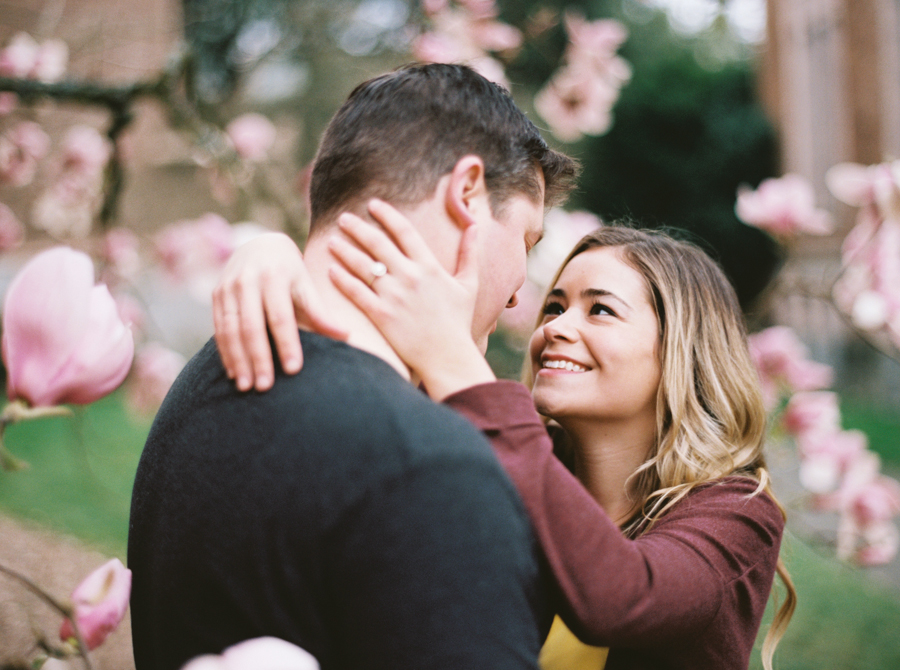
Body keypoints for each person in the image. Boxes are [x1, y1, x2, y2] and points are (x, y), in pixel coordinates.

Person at [128, 62, 579, 670]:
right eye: (526, 242)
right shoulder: (430, 466)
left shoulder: (206, 378)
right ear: (467, 194)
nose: (520, 294)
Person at [212, 210, 797, 670]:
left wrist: (456, 363)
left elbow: (620, 598)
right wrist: (273, 252)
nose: (554, 329)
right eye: (555, 306)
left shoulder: (737, 516)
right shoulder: (511, 468)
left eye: (601, 311)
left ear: (680, 352)